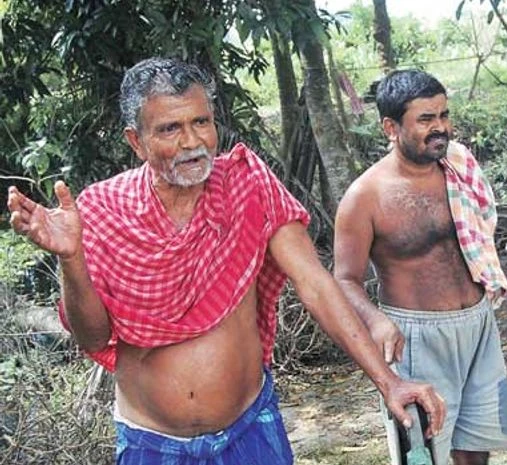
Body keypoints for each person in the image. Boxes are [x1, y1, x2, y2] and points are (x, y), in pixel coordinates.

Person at [6, 57, 445, 465]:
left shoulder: (247, 184)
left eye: (201, 122)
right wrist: (71, 259)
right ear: (136, 141)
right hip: (151, 442)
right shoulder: (102, 210)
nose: (193, 141)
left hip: (250, 429)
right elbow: (93, 335)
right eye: (170, 129)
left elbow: (314, 284)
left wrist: (388, 380)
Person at [334, 69, 507, 465]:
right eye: (425, 119)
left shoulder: (458, 168)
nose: (440, 128)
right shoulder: (365, 197)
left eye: (443, 115)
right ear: (391, 127)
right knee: (425, 455)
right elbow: (344, 279)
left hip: (478, 325)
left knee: (476, 449)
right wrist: (376, 321)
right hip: (416, 338)